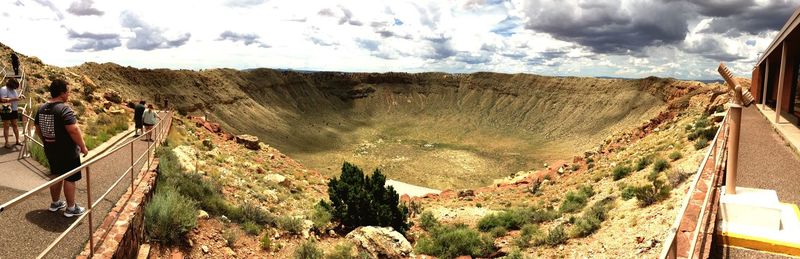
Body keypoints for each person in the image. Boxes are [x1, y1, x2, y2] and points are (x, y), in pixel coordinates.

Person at [35, 79, 89, 217]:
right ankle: (71, 208)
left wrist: (47, 141)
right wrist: (82, 146)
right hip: (67, 151)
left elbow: (37, 129)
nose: (69, 94)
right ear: (62, 93)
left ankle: (55, 203)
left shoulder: (41, 108)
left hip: (51, 150)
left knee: (56, 175)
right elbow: (73, 130)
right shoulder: (64, 109)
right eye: (68, 92)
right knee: (70, 178)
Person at [1, 78, 23, 148]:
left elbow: (15, 98)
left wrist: (20, 97)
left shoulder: (13, 90)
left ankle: (17, 140)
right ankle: (7, 142)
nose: (15, 88)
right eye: (15, 86)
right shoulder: (4, 89)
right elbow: (3, 99)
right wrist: (16, 99)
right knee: (6, 126)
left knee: (15, 125)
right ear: (11, 84)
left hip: (14, 109)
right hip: (6, 110)